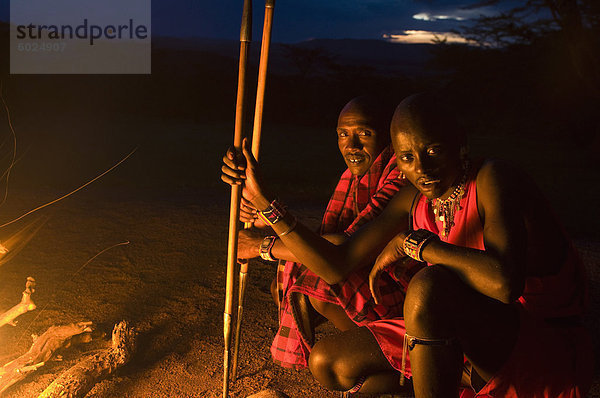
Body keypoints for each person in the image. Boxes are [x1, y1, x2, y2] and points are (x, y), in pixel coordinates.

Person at [221, 93, 593, 397]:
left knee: (429, 286)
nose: (422, 169)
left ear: (460, 144)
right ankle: (458, 377)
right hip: (464, 334)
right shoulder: (412, 195)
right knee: (328, 361)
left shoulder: (494, 178)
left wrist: (418, 246)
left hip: (539, 339)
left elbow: (504, 285)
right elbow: (337, 260)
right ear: (395, 159)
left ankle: (457, 376)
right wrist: (265, 201)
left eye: (433, 151)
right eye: (407, 158)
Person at [233, 96, 420, 371]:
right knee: (289, 276)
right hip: (366, 272)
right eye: (343, 134)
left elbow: (337, 255)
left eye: (364, 133)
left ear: (388, 137)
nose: (351, 145)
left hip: (406, 295)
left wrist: (262, 244)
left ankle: (384, 360)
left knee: (320, 284)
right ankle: (360, 349)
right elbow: (322, 240)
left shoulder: (400, 177)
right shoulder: (353, 177)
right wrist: (266, 215)